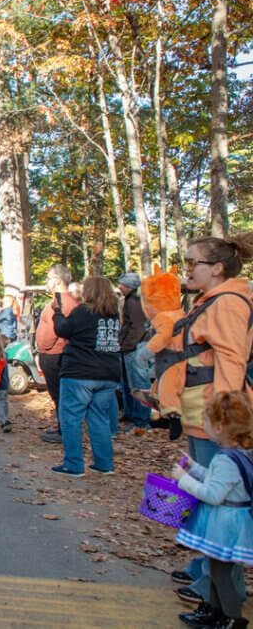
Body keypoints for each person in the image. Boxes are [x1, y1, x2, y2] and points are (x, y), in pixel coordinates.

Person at [165, 232, 253, 607]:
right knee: (202, 494)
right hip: (200, 413)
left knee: (218, 500)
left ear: (217, 269)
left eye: (192, 263)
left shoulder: (228, 303)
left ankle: (215, 593)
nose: (186, 269)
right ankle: (202, 566)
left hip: (213, 418)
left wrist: (226, 421)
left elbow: (232, 360)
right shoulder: (211, 300)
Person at [172, 391, 253, 629]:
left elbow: (213, 494)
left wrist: (184, 480)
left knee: (220, 574)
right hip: (229, 521)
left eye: (205, 421)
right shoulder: (239, 455)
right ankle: (214, 610)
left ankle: (230, 617)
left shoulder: (226, 459)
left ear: (219, 427)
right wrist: (195, 469)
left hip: (224, 523)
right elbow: (219, 482)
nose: (203, 426)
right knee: (217, 571)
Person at [50, 276, 121, 477]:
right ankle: (104, 463)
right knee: (99, 418)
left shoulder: (83, 311)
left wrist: (57, 312)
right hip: (108, 371)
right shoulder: (113, 314)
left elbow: (63, 330)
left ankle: (73, 464)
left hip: (81, 371)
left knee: (71, 417)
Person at [36, 265, 80, 443]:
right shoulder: (57, 300)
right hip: (50, 353)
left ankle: (65, 431)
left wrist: (45, 346)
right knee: (57, 394)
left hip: (55, 354)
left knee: (60, 394)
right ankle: (63, 428)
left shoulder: (64, 302)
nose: (47, 281)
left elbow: (58, 329)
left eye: (49, 277)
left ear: (59, 280)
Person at [117, 272, 150, 431]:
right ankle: (130, 414)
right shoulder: (130, 300)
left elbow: (137, 328)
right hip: (128, 348)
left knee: (138, 385)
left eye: (121, 284)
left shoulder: (135, 302)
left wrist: (127, 346)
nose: (119, 287)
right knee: (129, 385)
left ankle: (141, 420)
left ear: (129, 286)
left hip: (134, 349)